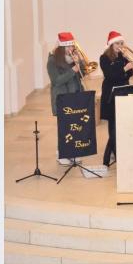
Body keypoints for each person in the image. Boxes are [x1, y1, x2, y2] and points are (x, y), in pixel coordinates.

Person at [47, 32, 87, 165]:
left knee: (75, 126)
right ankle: (62, 153)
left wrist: (80, 63)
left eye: (72, 46)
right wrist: (72, 71)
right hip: (62, 97)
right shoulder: (52, 60)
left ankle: (73, 151)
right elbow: (56, 81)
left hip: (75, 95)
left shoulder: (71, 59)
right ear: (61, 48)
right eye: (68, 46)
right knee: (64, 127)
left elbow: (81, 75)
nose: (71, 49)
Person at [99, 31, 133, 167]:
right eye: (117, 43)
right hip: (110, 94)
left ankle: (115, 152)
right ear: (111, 45)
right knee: (113, 124)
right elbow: (110, 75)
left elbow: (129, 74)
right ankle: (110, 154)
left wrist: (127, 67)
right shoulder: (104, 58)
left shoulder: (123, 56)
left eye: (121, 43)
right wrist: (124, 69)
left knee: (122, 123)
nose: (120, 46)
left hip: (124, 91)